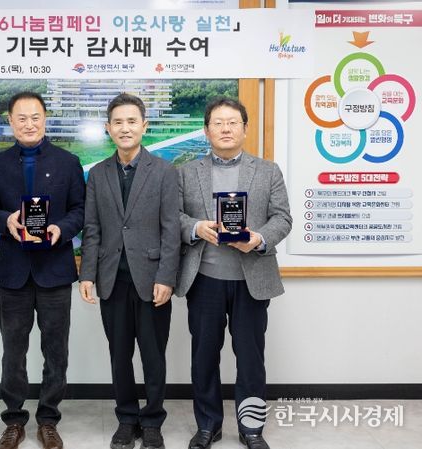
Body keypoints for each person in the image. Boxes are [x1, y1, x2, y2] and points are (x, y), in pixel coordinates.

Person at [175, 98, 292, 449]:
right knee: (204, 357)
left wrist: (259, 239)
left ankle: (251, 428)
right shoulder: (186, 172)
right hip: (204, 279)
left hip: (251, 279)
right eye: (218, 123)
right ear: (206, 130)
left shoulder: (268, 170)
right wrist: (195, 227)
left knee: (251, 358)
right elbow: (172, 217)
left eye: (232, 122)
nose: (225, 129)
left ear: (244, 128)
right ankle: (207, 426)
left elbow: (282, 218)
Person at [0, 91, 85, 449]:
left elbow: (80, 210)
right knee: (13, 351)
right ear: (10, 121)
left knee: (56, 351)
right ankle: (14, 419)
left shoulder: (68, 162)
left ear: (45, 119)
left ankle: (49, 419)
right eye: (21, 118)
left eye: (35, 117)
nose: (29, 124)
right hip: (14, 273)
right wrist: (5, 220)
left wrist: (62, 229)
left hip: (55, 270)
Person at [79, 93, 180, 449]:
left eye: (132, 121)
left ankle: (152, 421)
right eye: (118, 122)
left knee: (153, 356)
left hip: (152, 281)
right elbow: (92, 228)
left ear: (144, 126)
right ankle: (126, 418)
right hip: (112, 280)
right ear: (108, 128)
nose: (125, 128)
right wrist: (87, 274)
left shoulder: (164, 171)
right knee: (119, 355)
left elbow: (171, 230)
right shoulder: (98, 173)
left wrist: (166, 277)